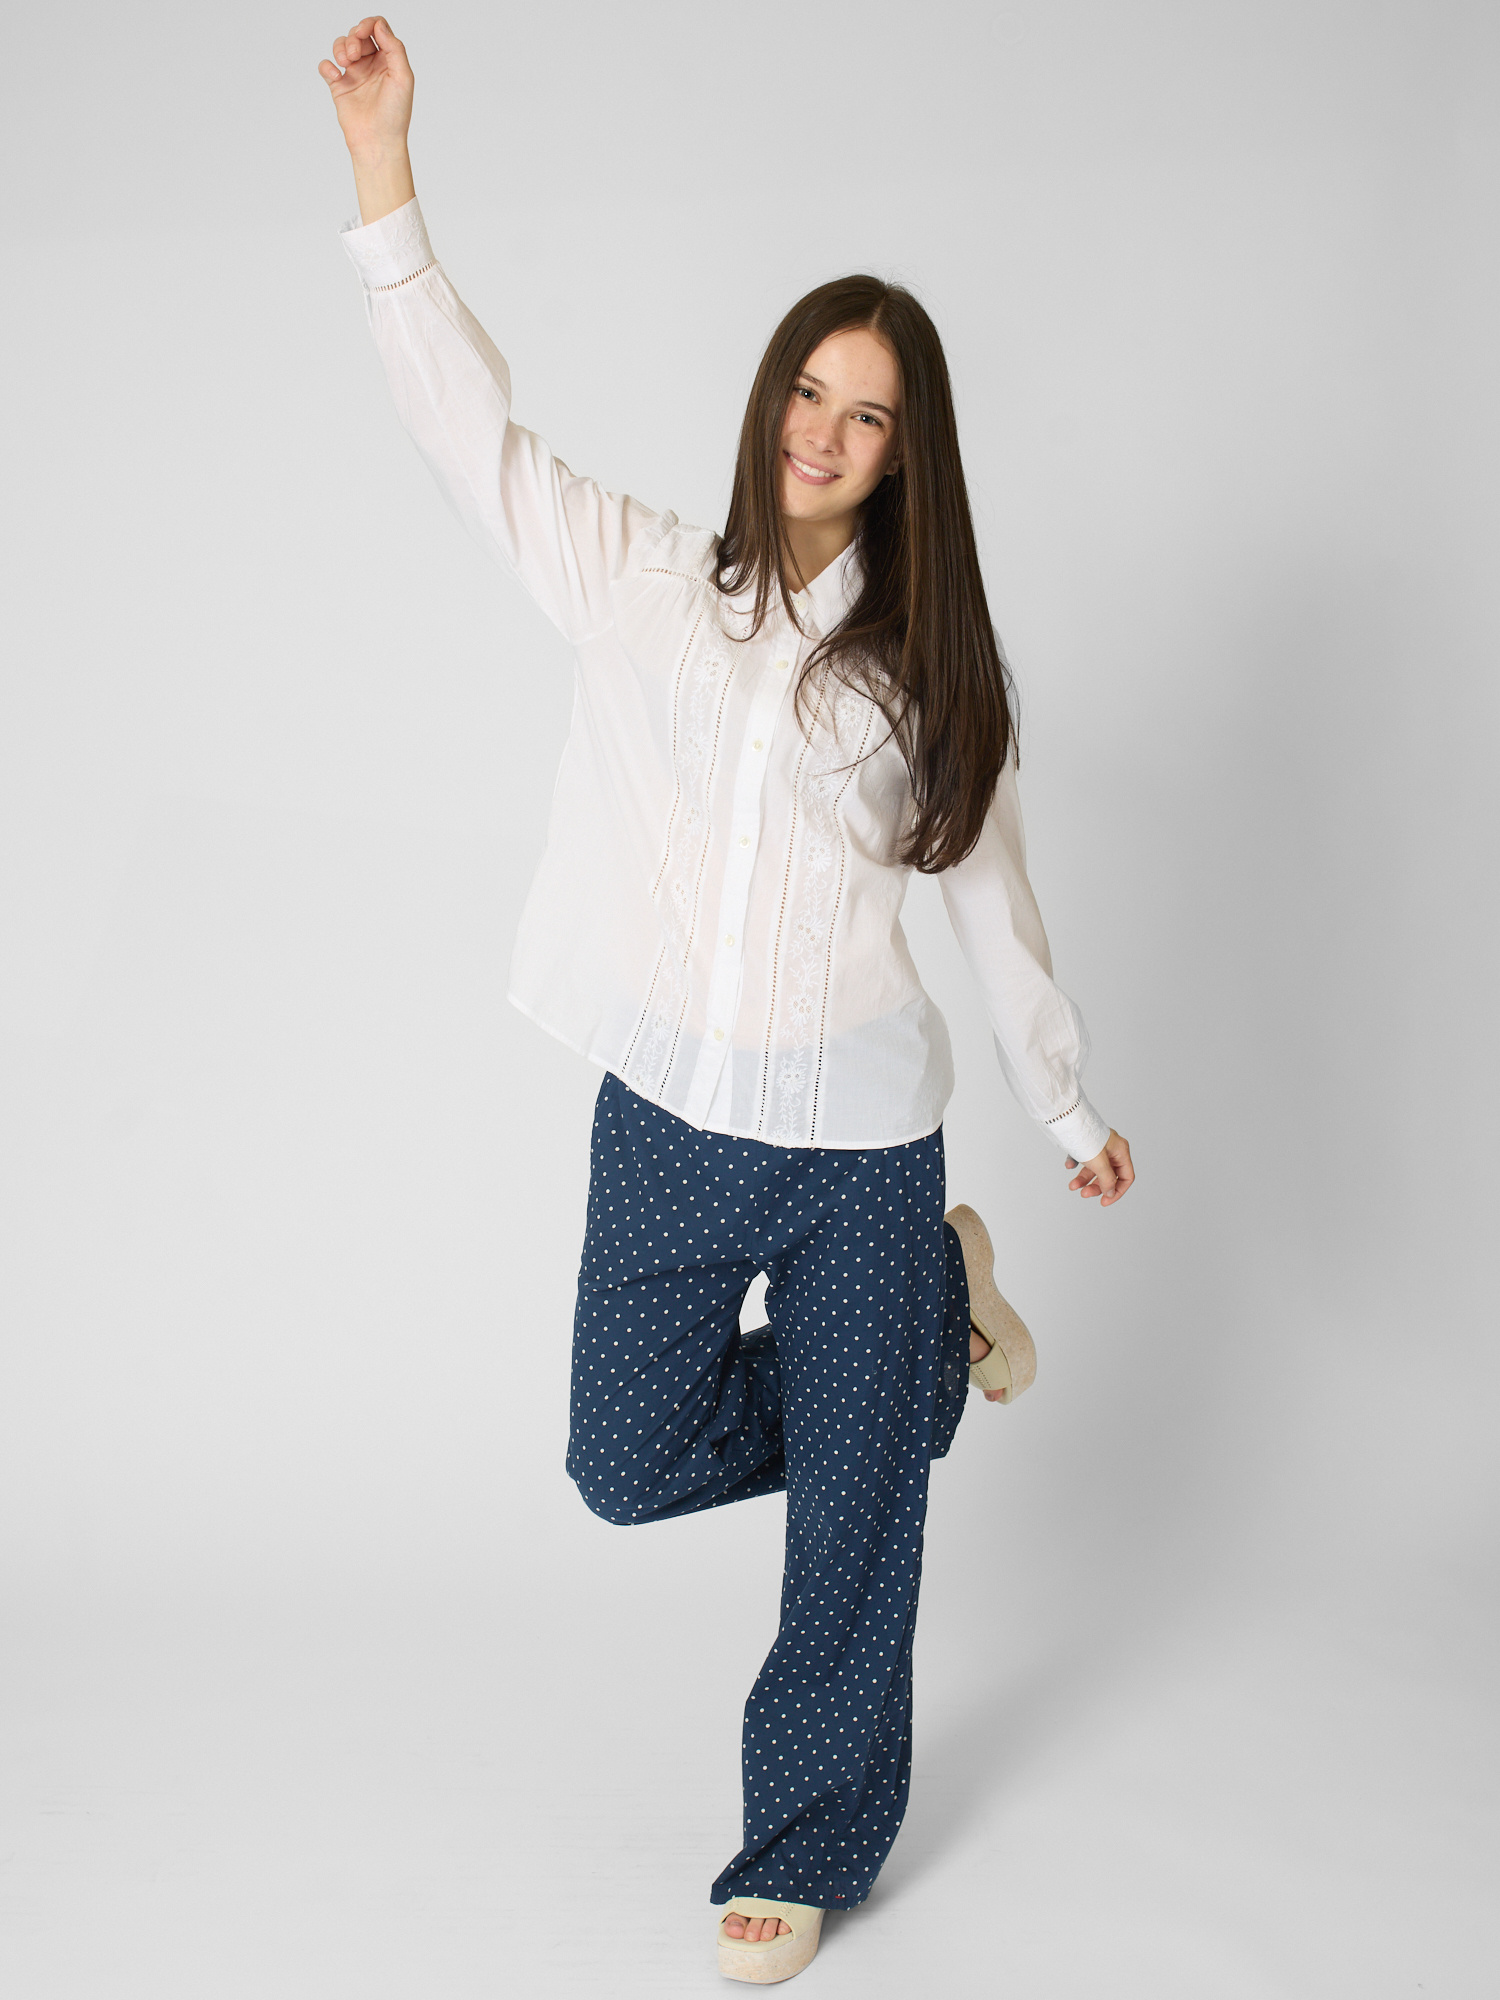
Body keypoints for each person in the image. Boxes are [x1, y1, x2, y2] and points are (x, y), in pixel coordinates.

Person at [320, 17, 1135, 1983]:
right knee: (621, 1460)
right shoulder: (638, 578)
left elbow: (994, 901)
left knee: (853, 1520)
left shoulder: (929, 677)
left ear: (909, 453)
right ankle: (942, 1331)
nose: (824, 432)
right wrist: (384, 170)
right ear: (769, 396)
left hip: (863, 1147)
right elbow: (467, 435)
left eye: (869, 414)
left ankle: (802, 1841)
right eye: (807, 389)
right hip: (674, 1125)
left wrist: (1065, 1105)